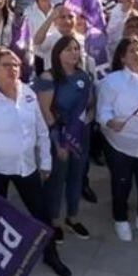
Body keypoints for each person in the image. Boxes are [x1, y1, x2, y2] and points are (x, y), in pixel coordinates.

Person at [0, 48, 72, 276]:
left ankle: (51, 254)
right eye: (6, 65)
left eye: (16, 65)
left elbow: (41, 130)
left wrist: (45, 161)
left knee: (41, 213)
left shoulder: (28, 93)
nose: (12, 69)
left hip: (27, 166)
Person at [95, 36, 138, 241]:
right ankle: (120, 219)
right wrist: (110, 122)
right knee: (121, 184)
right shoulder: (112, 81)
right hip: (121, 143)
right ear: (123, 58)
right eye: (133, 51)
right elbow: (103, 111)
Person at [36, 35, 94, 240]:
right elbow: (44, 110)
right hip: (58, 136)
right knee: (57, 179)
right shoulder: (48, 78)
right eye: (69, 49)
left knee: (77, 175)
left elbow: (89, 104)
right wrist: (59, 141)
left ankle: (73, 217)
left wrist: (89, 116)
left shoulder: (84, 76)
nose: (74, 52)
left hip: (80, 134)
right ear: (58, 53)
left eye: (76, 49)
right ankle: (54, 220)